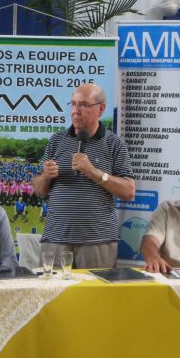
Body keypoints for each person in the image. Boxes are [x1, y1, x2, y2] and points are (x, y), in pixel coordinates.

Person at [33, 83, 135, 268]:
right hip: (55, 238)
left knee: (94, 288)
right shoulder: (56, 140)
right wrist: (46, 176)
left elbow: (128, 191)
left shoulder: (115, 144)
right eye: (73, 104)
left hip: (98, 241)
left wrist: (93, 172)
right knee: (52, 287)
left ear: (101, 109)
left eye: (84, 105)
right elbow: (39, 191)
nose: (76, 111)